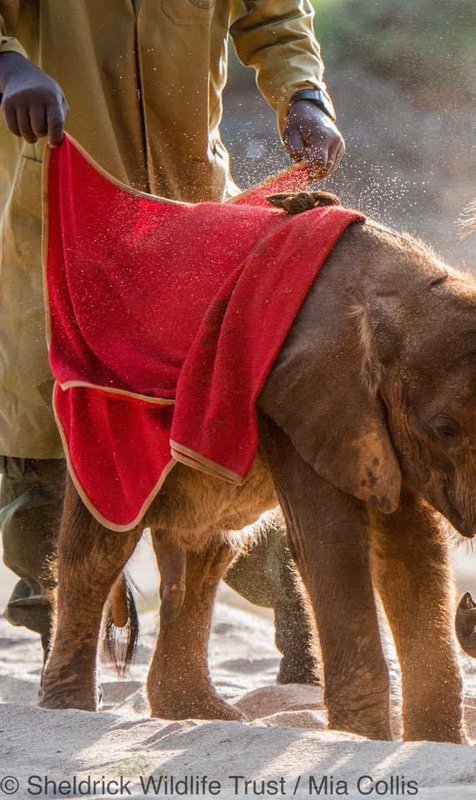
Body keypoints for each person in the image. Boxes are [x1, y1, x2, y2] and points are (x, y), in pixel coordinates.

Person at [0, 1, 344, 684]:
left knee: (223, 442)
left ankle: (304, 627)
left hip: (189, 218)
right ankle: (63, 633)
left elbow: (274, 18)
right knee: (47, 446)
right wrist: (10, 66)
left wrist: (305, 96)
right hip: (56, 211)